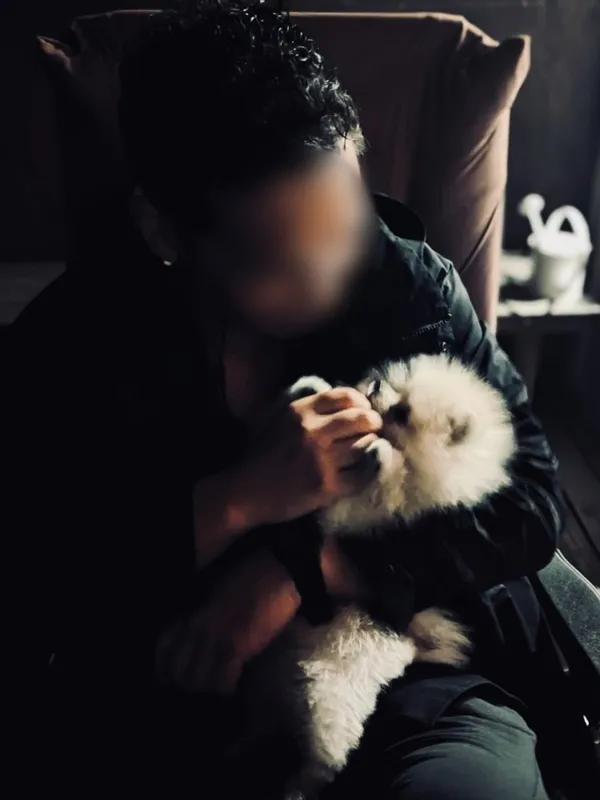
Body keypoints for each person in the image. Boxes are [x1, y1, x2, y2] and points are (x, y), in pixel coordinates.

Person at [5, 3, 563, 798]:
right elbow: (37, 573)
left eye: (347, 229)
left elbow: (530, 505)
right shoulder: (75, 339)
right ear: (164, 232)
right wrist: (234, 501)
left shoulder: (409, 287)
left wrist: (303, 570)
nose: (331, 279)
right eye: (285, 267)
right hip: (165, 704)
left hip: (405, 680)